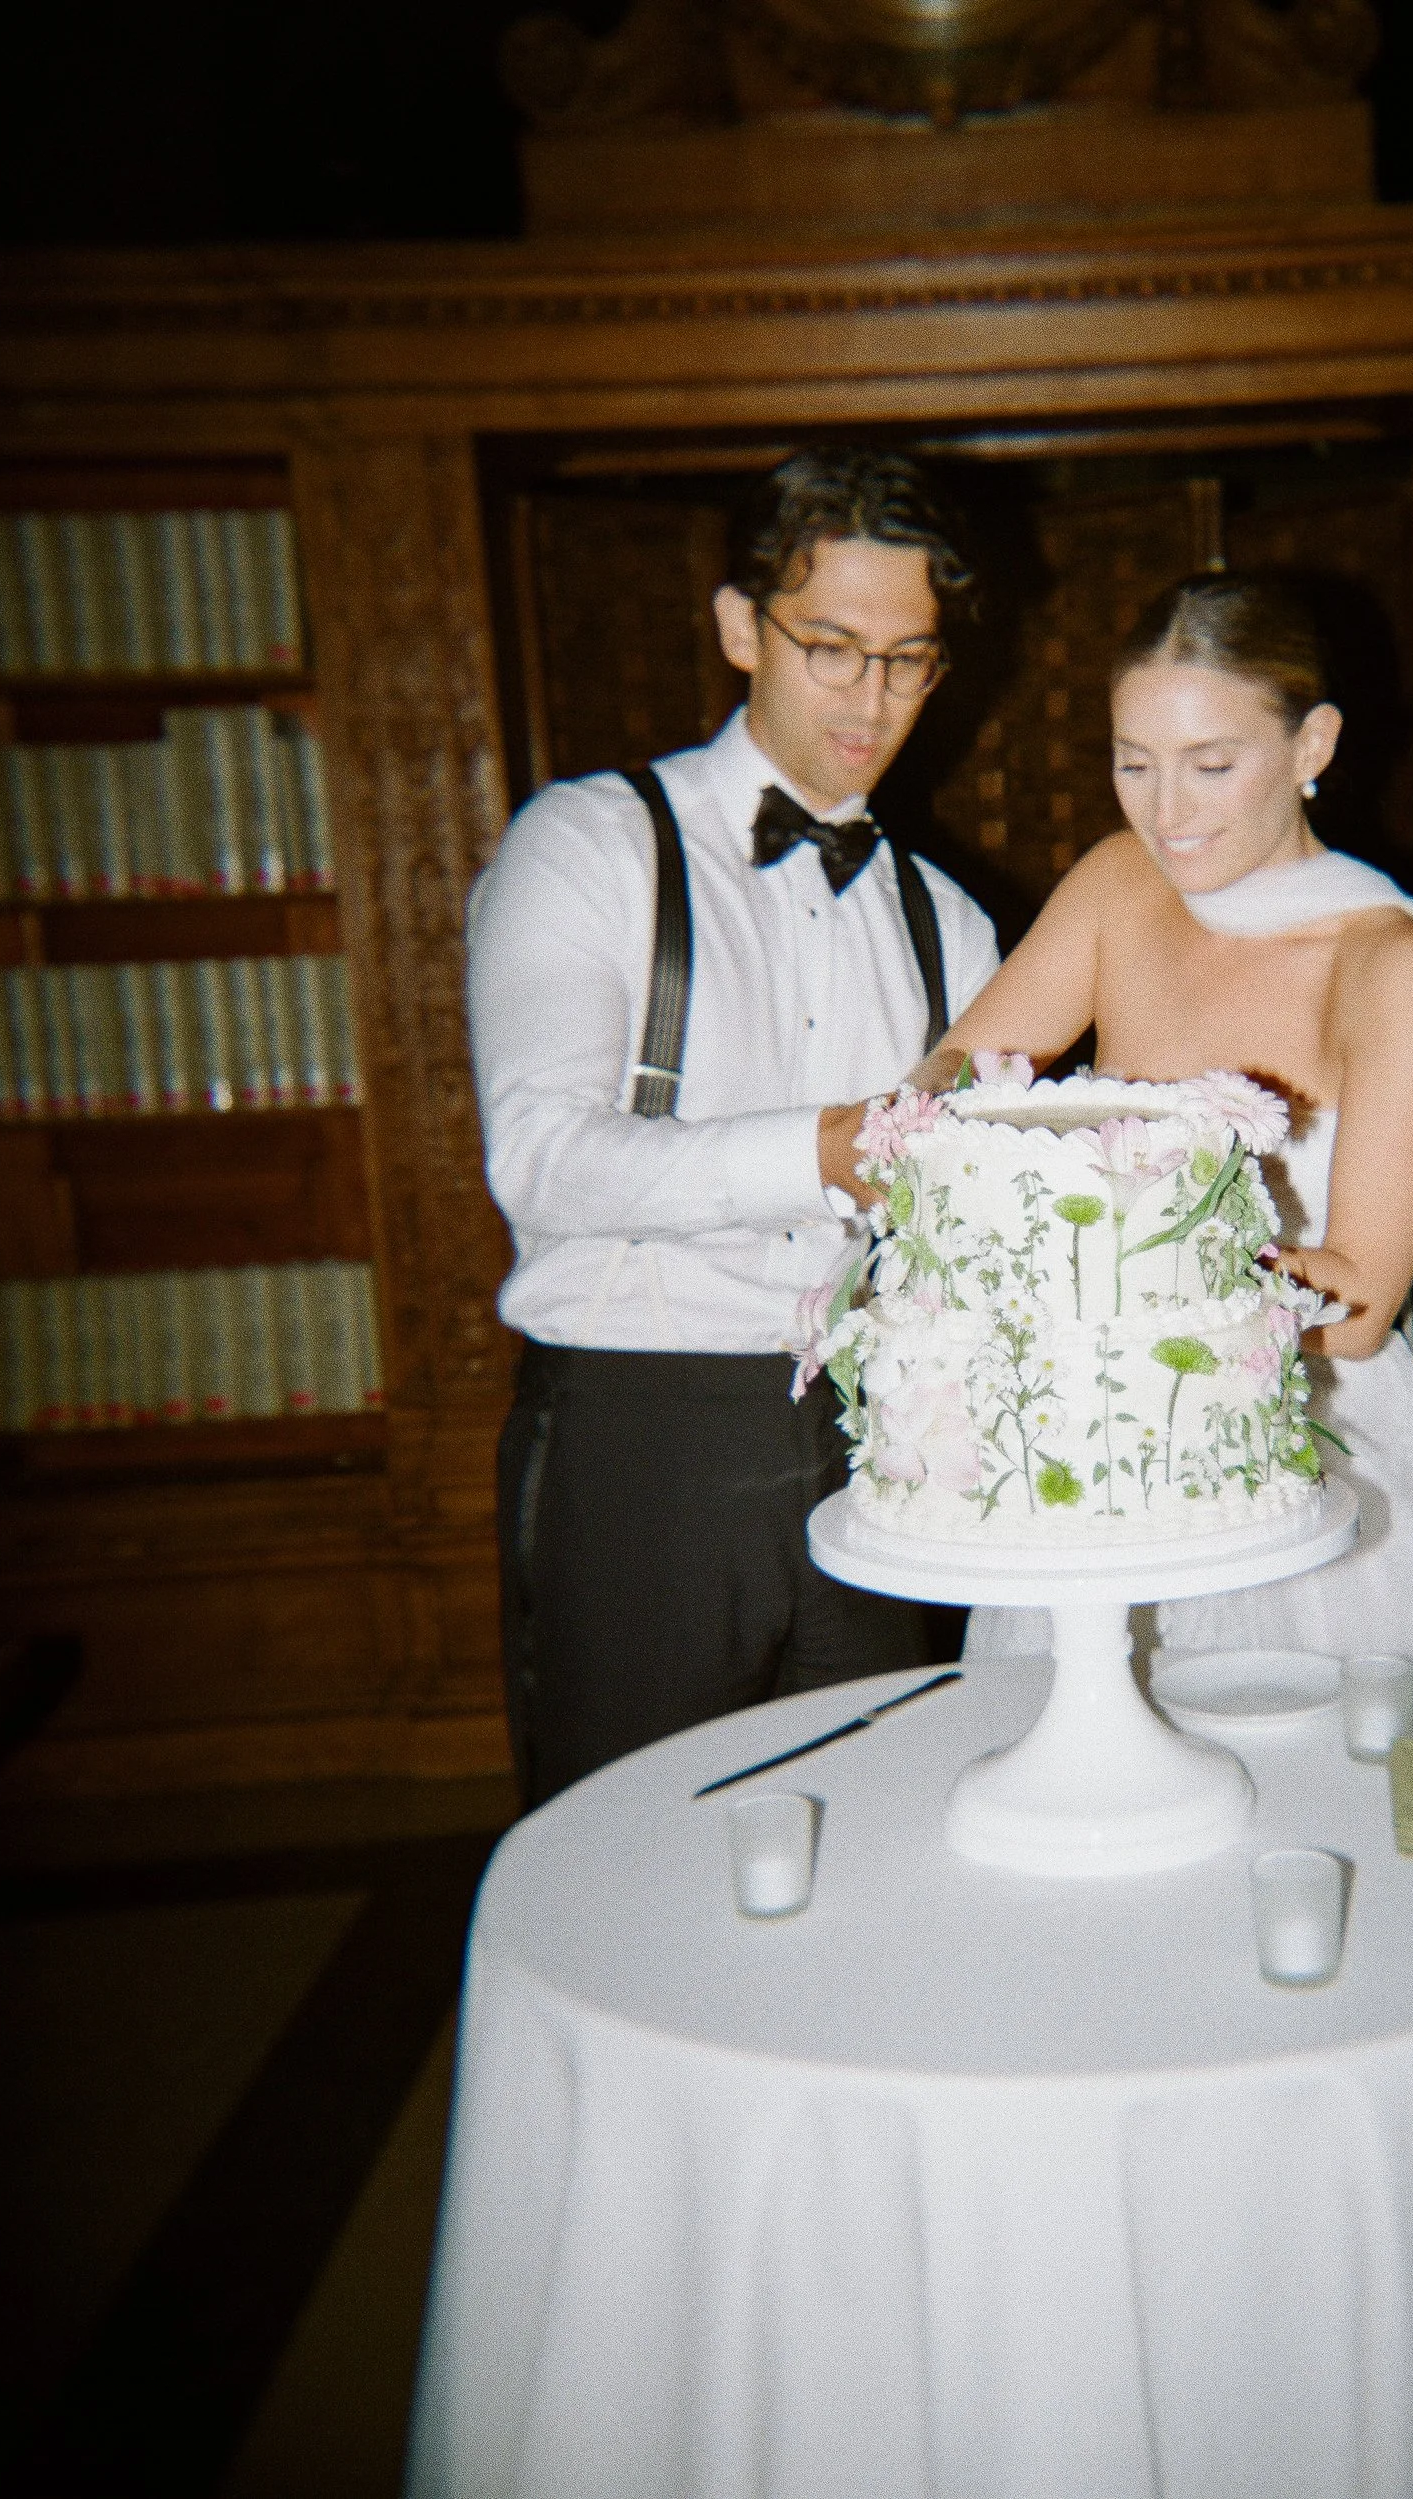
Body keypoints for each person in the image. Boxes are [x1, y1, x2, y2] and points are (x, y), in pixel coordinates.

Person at [932, 571, 1413, 1727]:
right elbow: (961, 1072)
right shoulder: (1115, 885)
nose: (1168, 812)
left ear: (1313, 742)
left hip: (1309, 1442)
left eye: (1212, 763)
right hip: (1094, 1430)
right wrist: (925, 1135)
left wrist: (1113, 1278)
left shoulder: (1399, 966)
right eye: (1132, 761)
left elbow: (1355, 1301)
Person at [469, 448, 1002, 1804]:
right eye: (831, 646)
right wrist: (825, 1149)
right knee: (629, 1848)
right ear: (735, 625)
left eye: (910, 658)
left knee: (881, 1828)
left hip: (877, 1440)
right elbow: (539, 1158)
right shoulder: (589, 845)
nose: (873, 699)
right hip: (644, 1425)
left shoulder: (955, 920)